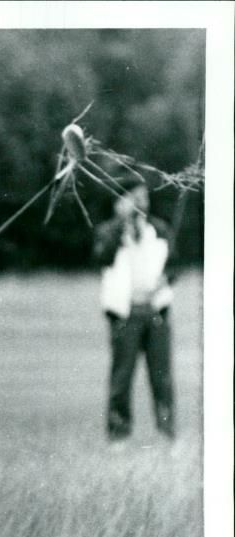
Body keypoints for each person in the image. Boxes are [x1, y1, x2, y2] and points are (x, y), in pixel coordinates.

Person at [93, 179, 177, 442]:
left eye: (144, 198)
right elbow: (101, 256)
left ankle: (166, 434)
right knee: (122, 378)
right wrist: (122, 225)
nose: (141, 204)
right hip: (125, 314)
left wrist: (167, 278)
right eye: (134, 198)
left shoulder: (159, 229)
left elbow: (174, 263)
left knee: (162, 379)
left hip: (155, 313)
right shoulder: (109, 231)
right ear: (120, 202)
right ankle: (118, 435)